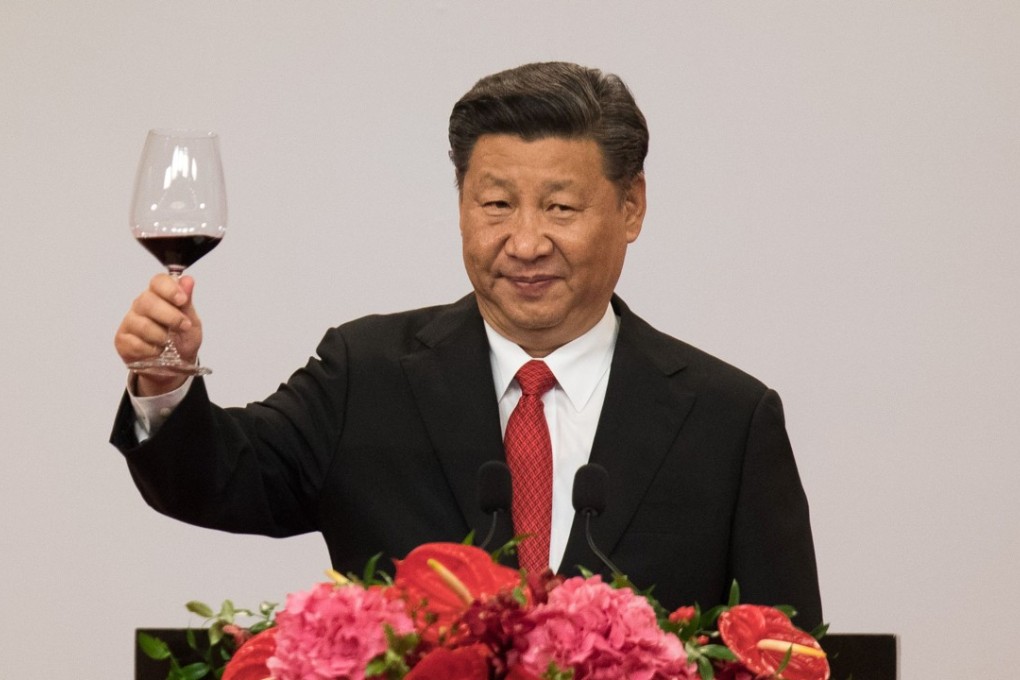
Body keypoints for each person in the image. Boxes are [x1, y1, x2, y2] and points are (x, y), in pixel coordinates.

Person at [111, 62, 823, 629]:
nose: (525, 242)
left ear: (630, 207)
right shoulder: (368, 374)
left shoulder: (729, 421)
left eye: (560, 207)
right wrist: (164, 380)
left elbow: (786, 652)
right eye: (496, 204)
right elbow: (219, 479)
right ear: (461, 203)